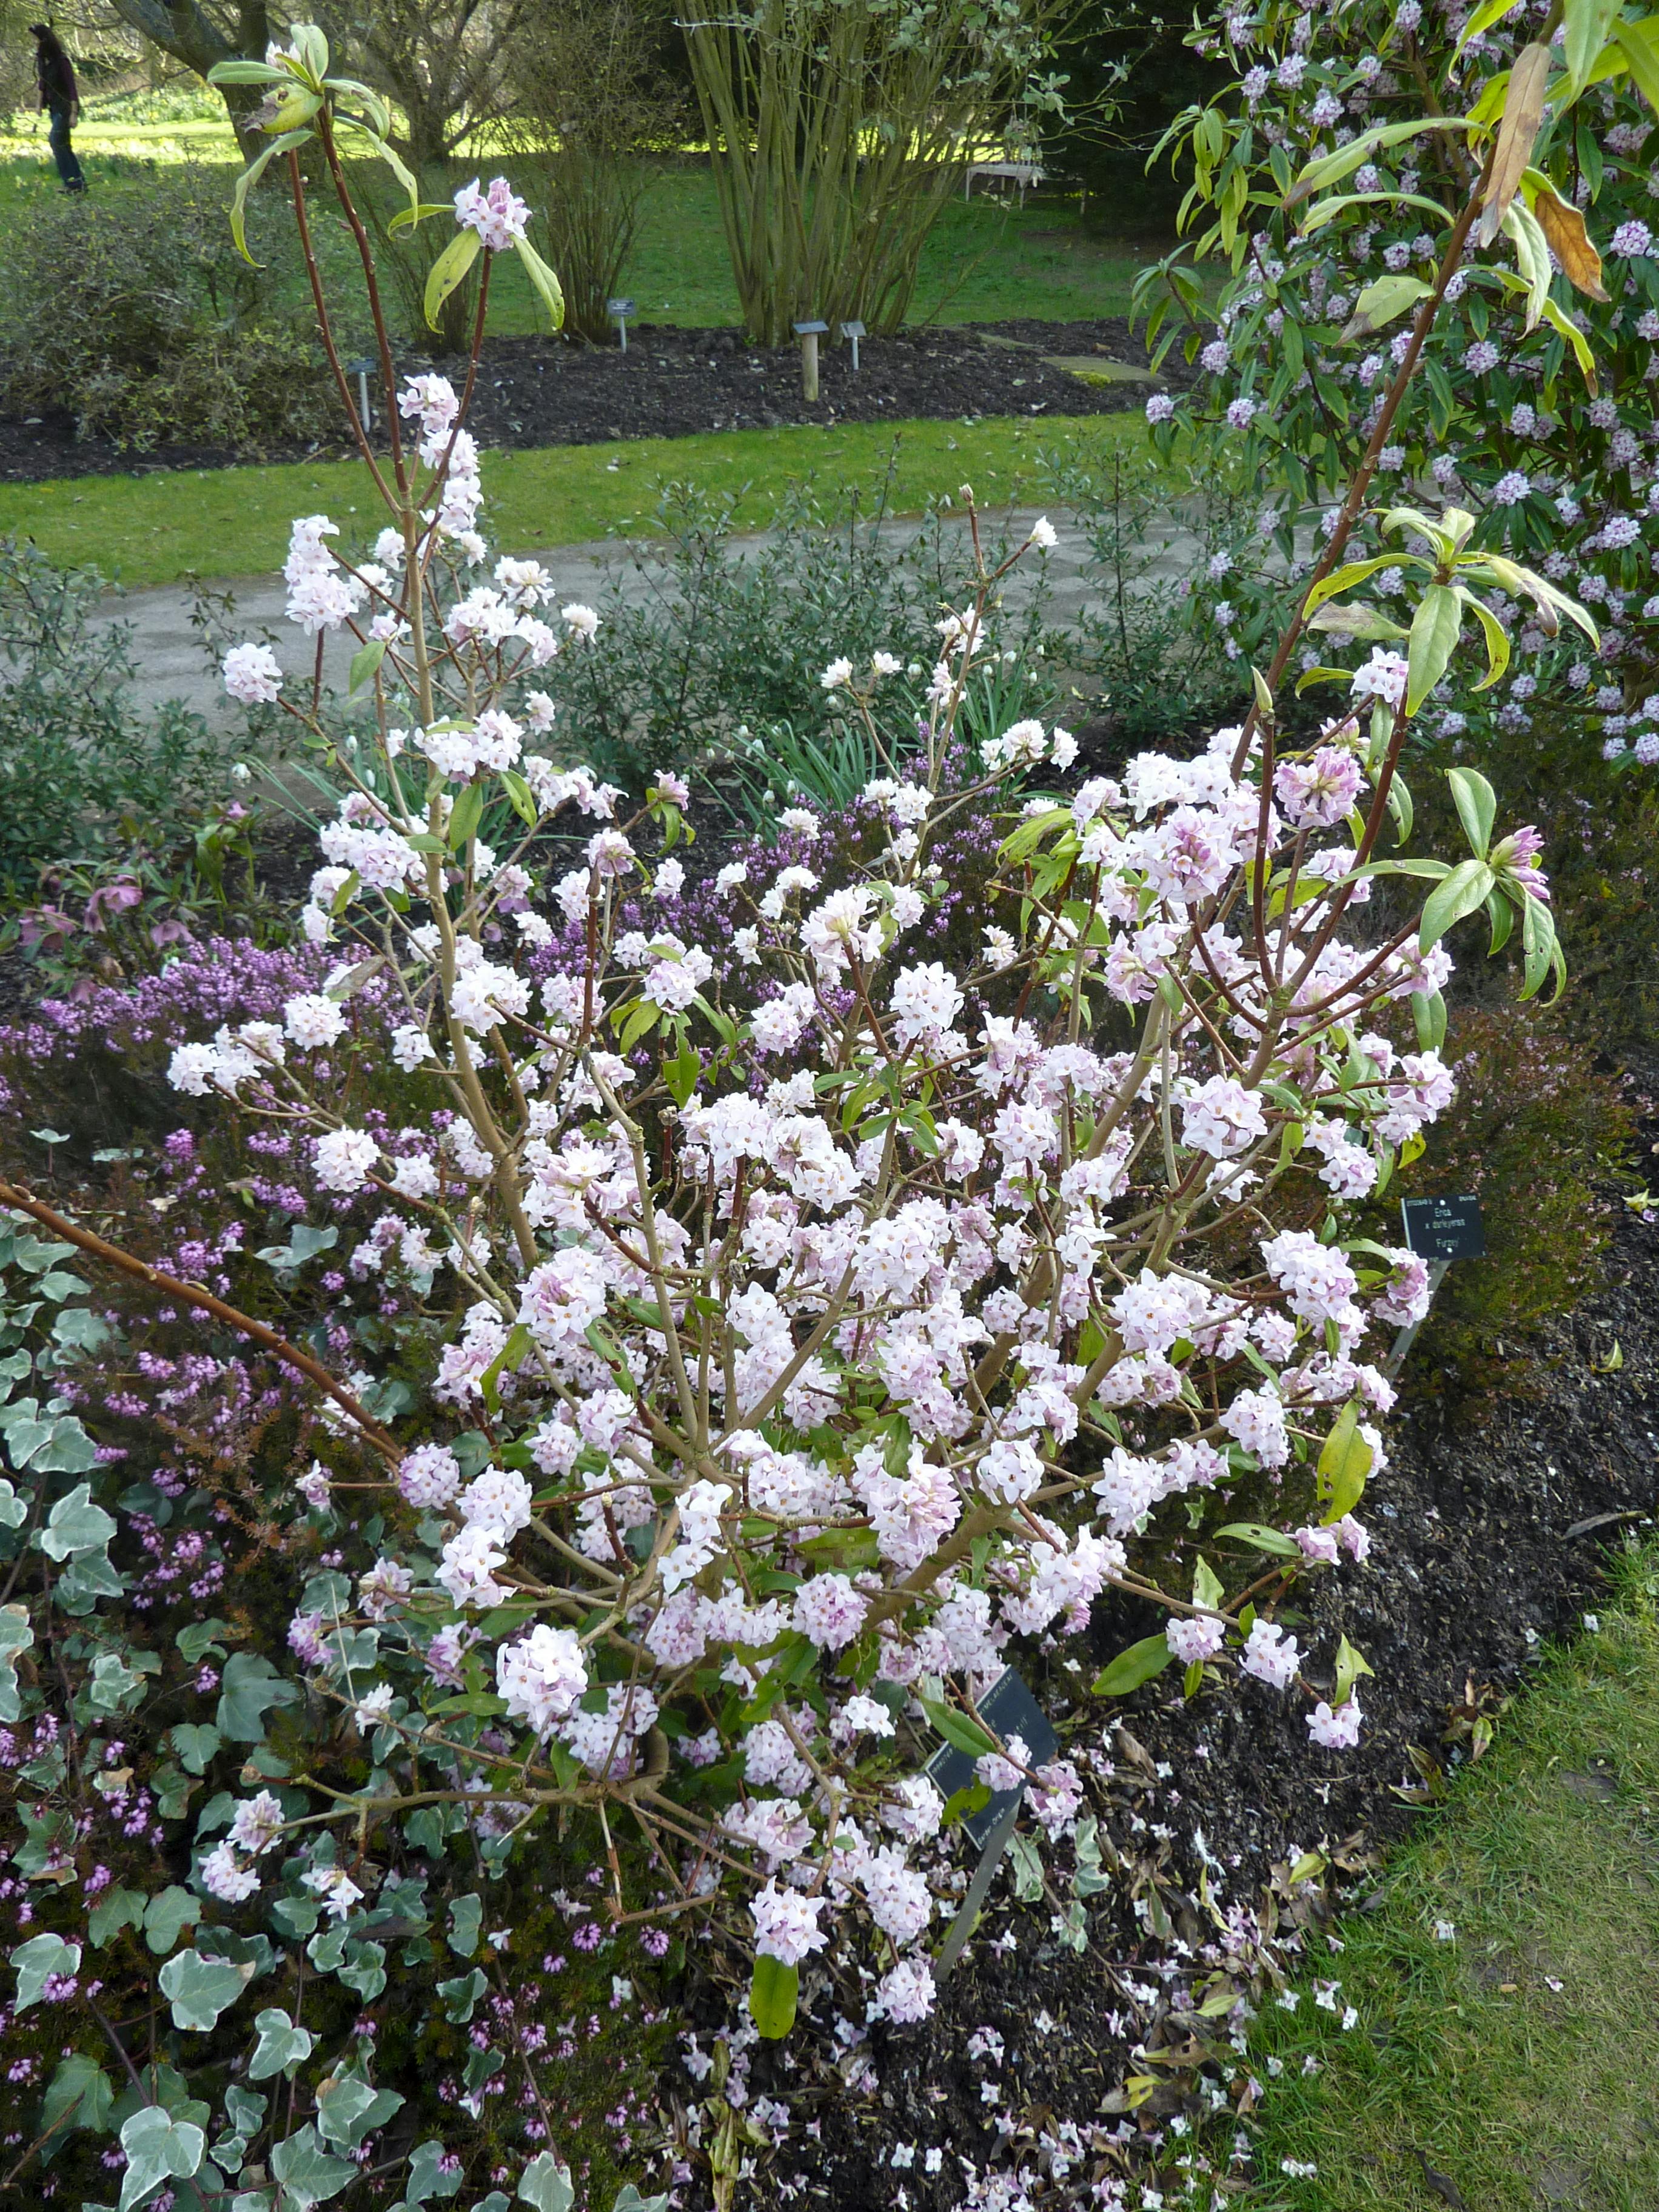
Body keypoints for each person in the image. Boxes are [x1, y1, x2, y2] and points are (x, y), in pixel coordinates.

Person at [29, 23, 85, 193]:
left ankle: (71, 183)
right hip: (54, 109)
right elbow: (42, 83)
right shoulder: (45, 63)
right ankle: (77, 184)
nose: (34, 43)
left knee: (55, 141)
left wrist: (74, 114)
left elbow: (72, 88)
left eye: (36, 40)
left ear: (44, 41)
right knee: (64, 146)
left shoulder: (62, 62)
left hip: (66, 108)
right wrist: (39, 105)